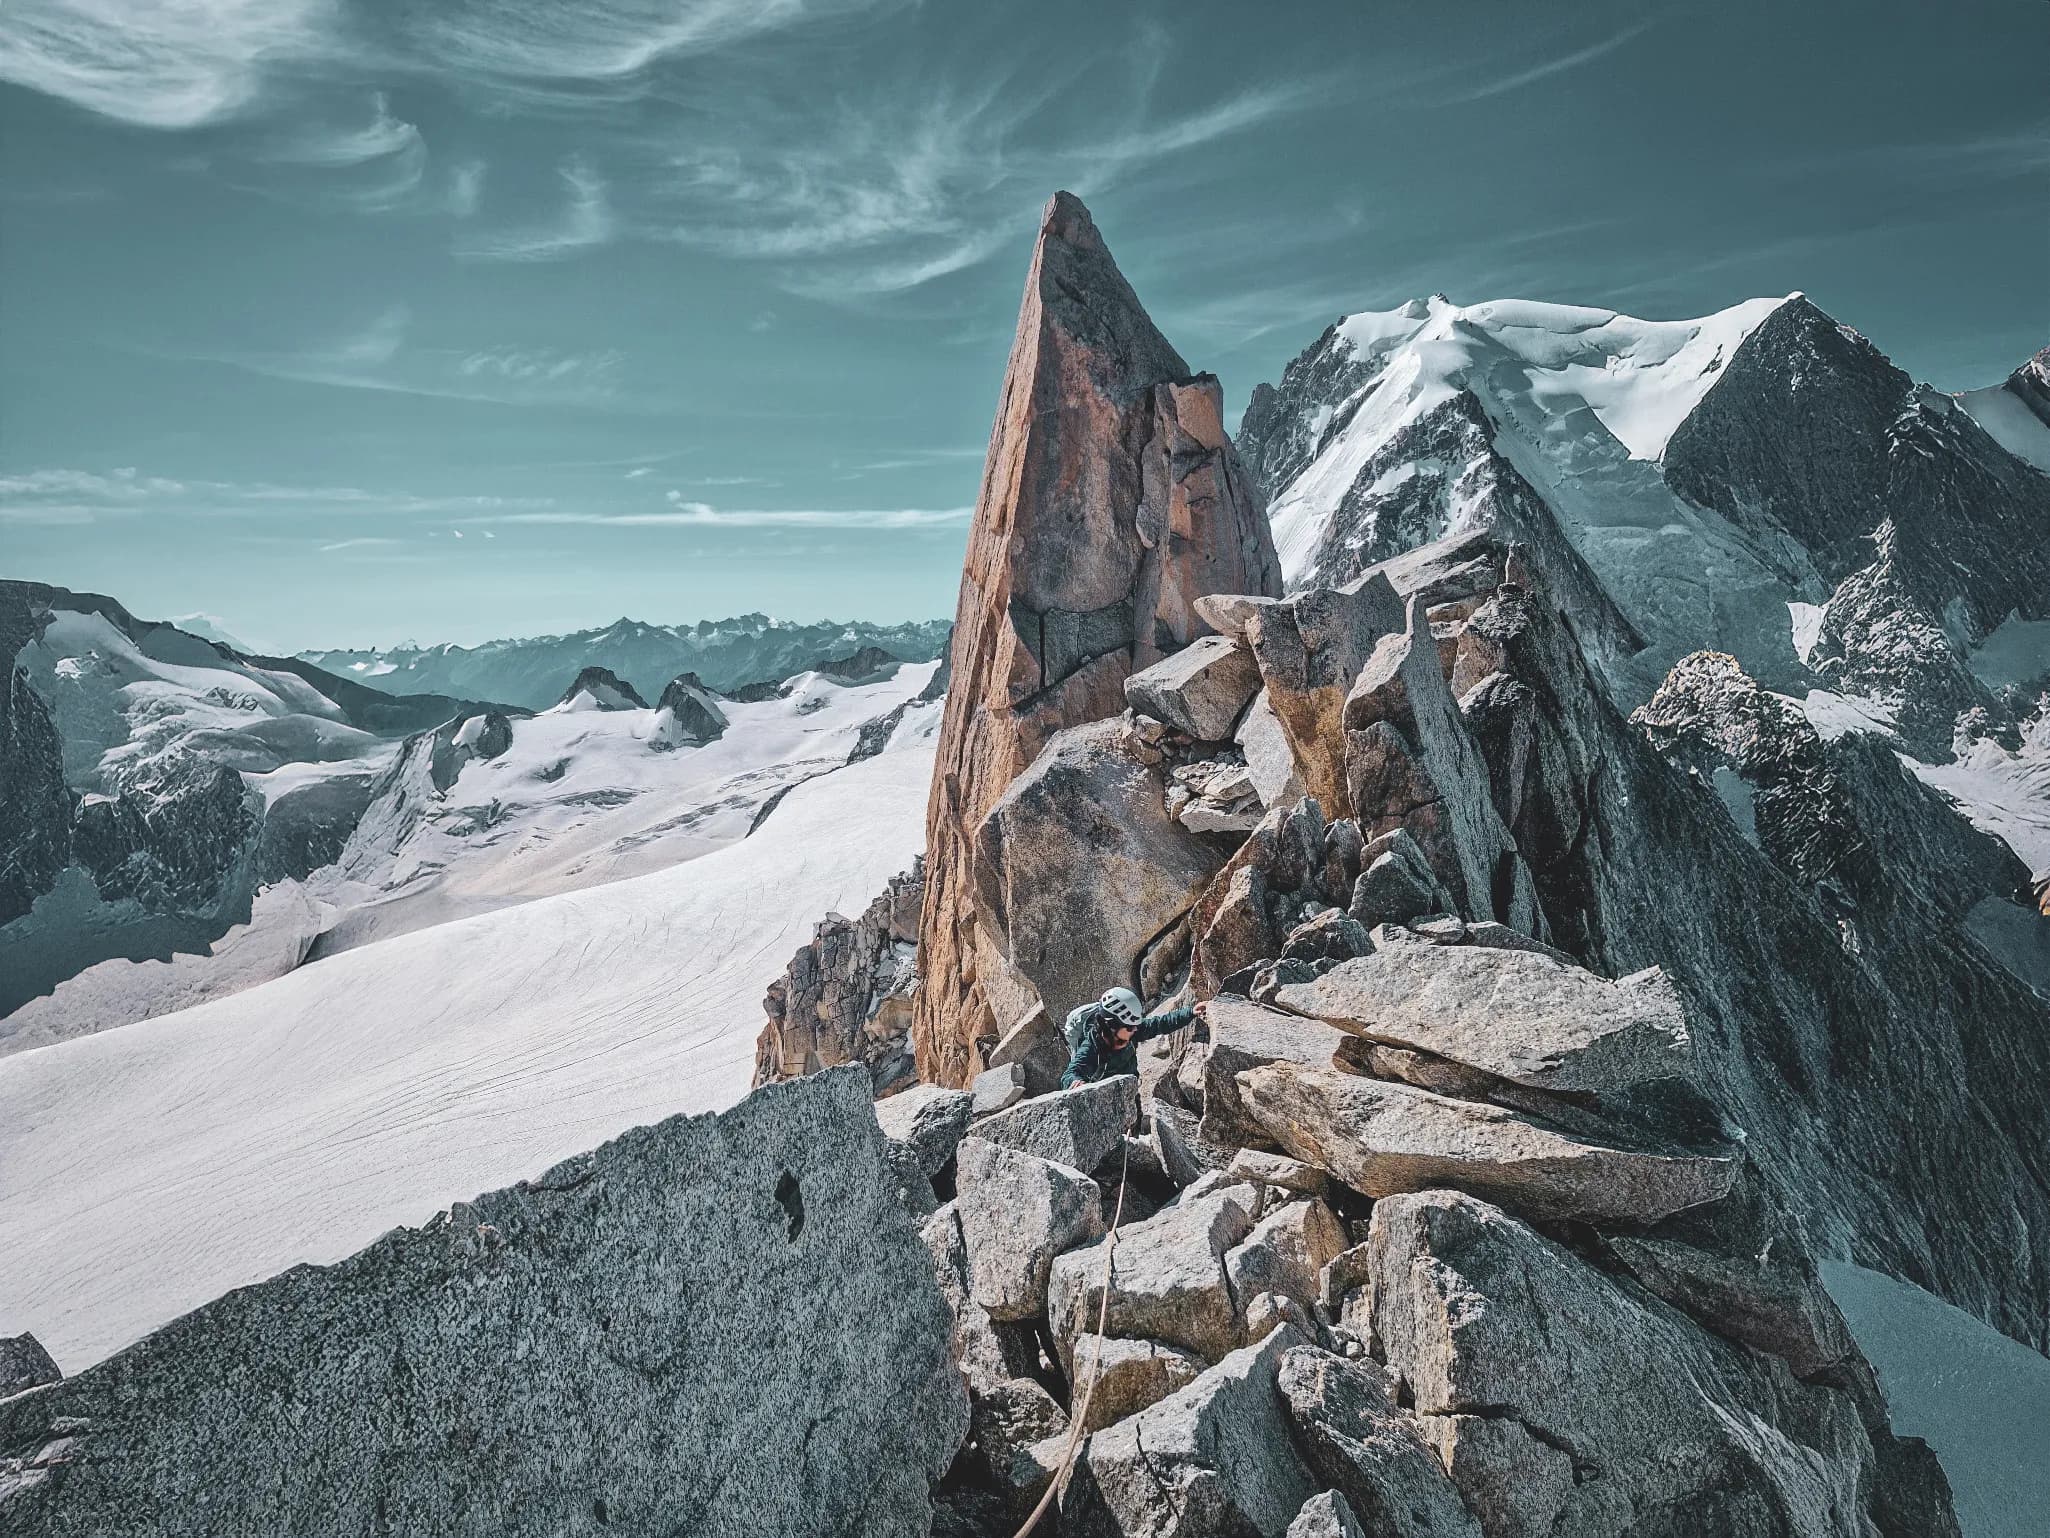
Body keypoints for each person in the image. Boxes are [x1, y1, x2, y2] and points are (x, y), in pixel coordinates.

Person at [1060, 986, 1208, 1089]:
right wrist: (1076, 1083)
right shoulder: (1091, 1048)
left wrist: (1190, 1012)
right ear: (1112, 1027)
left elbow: (1159, 1024)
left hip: (1130, 1082)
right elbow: (1069, 1074)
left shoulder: (1132, 1030)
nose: (1136, 1029)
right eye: (1130, 1027)